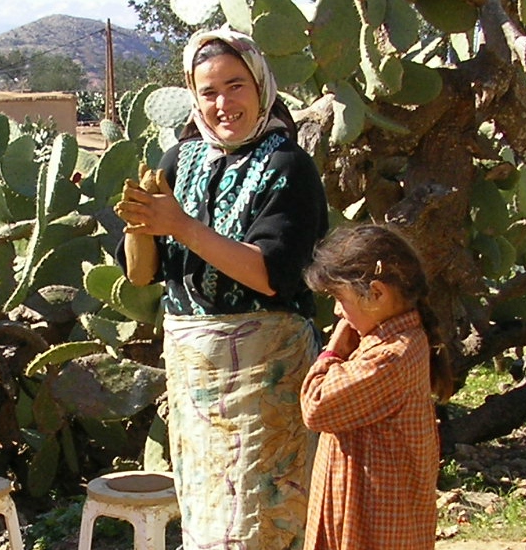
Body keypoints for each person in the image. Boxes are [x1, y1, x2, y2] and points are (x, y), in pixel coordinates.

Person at [114, 29, 329, 548]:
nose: (222, 104)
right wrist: (141, 222)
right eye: (208, 92)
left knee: (262, 519)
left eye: (235, 86)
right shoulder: (179, 160)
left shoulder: (288, 167)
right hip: (195, 378)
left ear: (259, 85)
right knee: (207, 515)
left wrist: (182, 225)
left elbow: (270, 274)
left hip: (266, 379)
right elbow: (141, 275)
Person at [300, 224, 452, 549]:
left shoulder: (392, 356)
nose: (338, 311)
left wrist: (332, 352)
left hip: (377, 527)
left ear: (378, 294)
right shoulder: (381, 341)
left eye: (340, 298)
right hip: (361, 515)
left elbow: (317, 406)